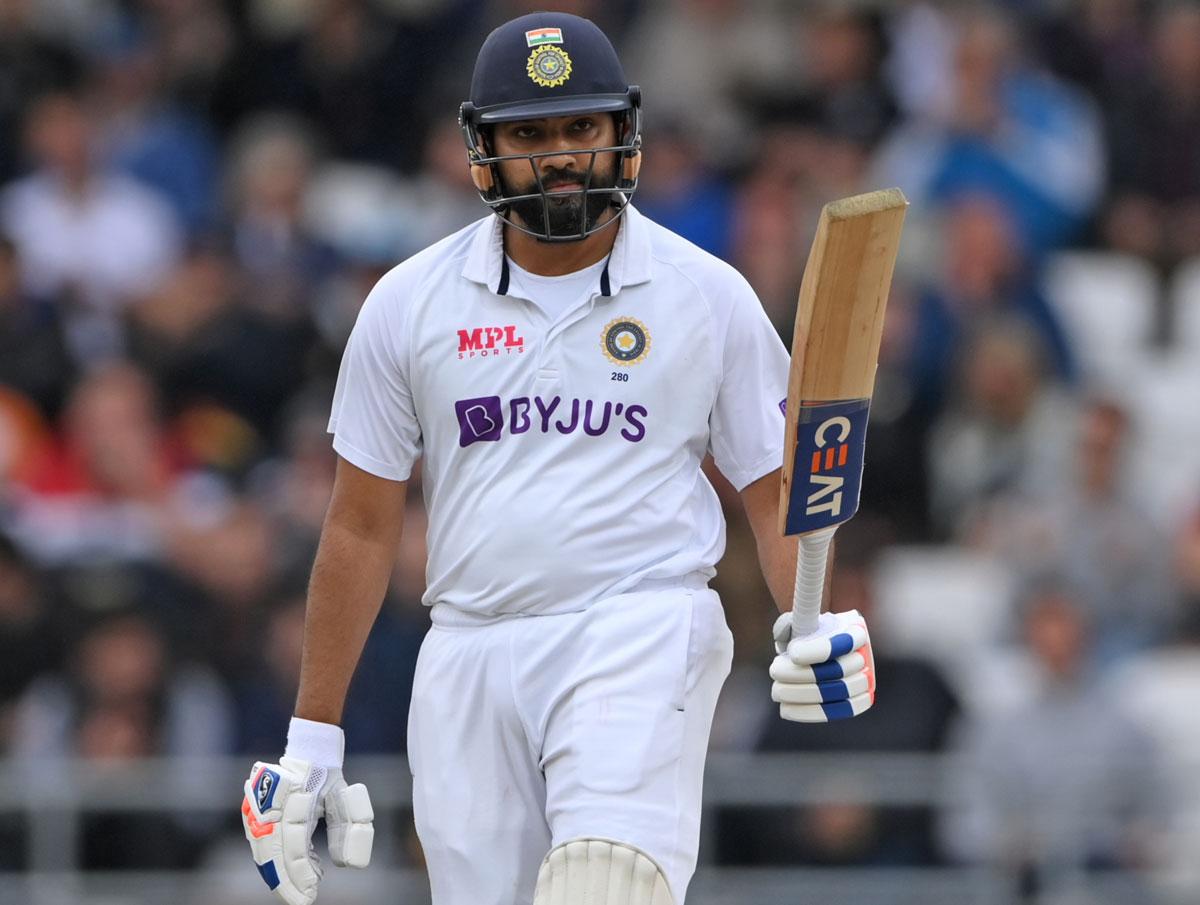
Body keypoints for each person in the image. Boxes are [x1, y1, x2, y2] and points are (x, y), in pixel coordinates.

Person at [239, 13, 878, 905]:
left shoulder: (705, 294)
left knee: (601, 886)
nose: (562, 153)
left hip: (639, 626)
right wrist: (312, 733)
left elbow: (777, 493)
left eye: (582, 127)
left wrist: (812, 615)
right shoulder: (408, 304)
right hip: (466, 651)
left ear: (623, 132)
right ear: (482, 149)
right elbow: (358, 524)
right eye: (530, 134)